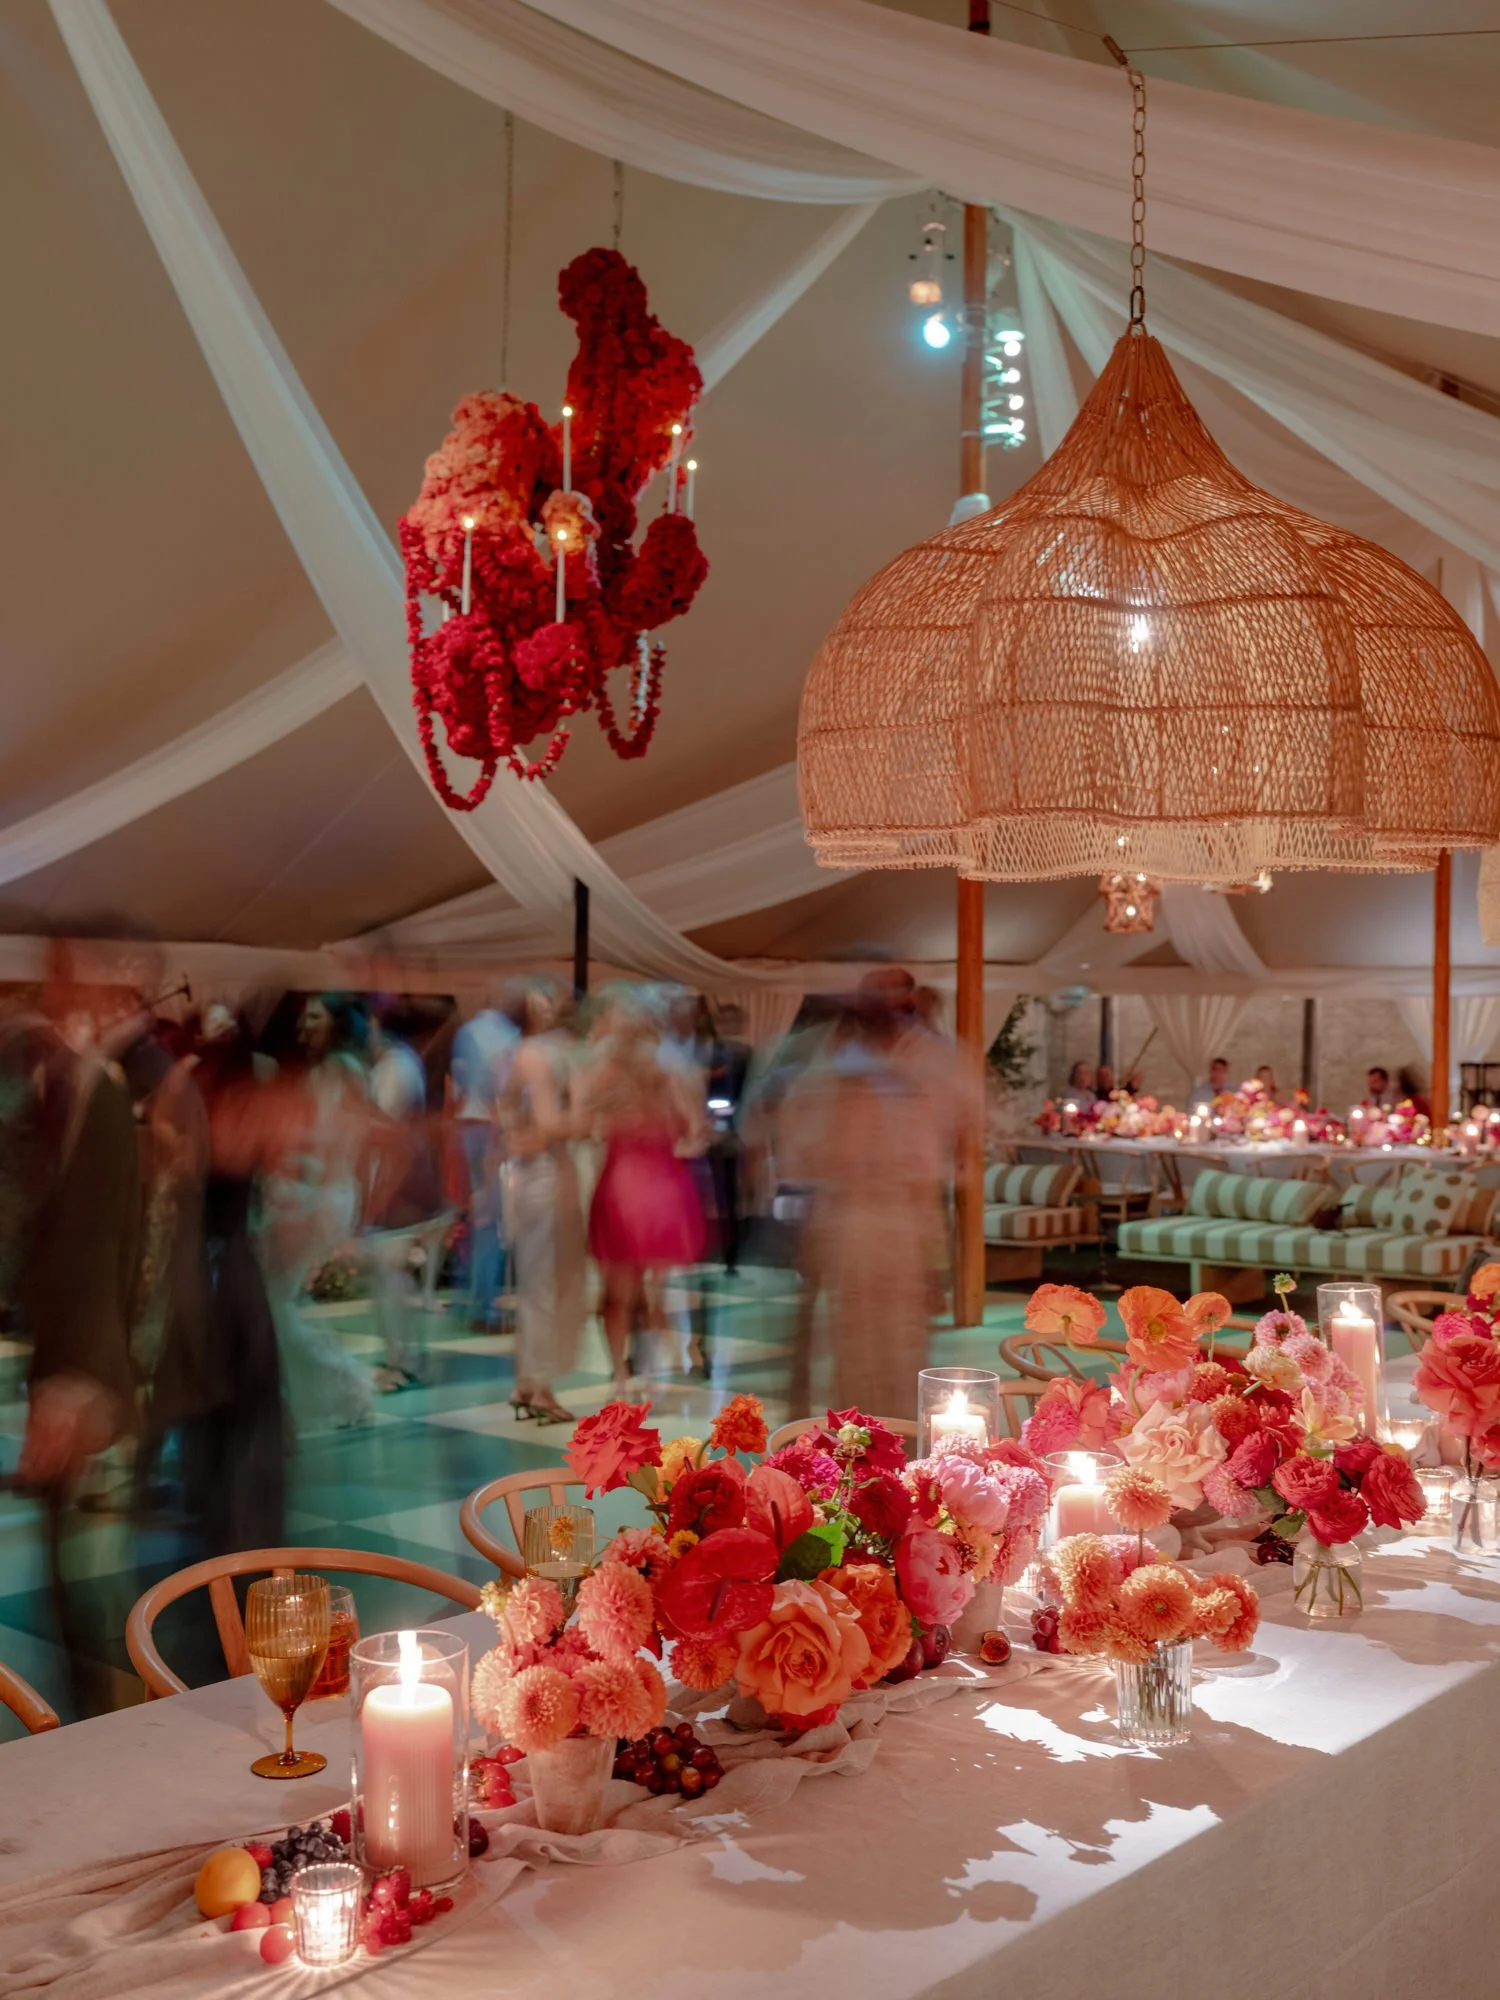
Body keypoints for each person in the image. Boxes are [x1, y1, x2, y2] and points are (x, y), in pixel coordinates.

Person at [782, 996, 942, 1417]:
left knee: (860, 1339)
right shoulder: (901, 1088)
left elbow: (805, 1161)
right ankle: (885, 1433)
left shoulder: (839, 1088)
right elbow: (926, 1170)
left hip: (859, 1222)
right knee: (889, 1340)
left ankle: (862, 1435)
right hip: (889, 1222)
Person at [576, 989, 709, 1394]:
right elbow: (696, 1132)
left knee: (621, 1290)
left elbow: (584, 1123)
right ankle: (644, 1374)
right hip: (658, 1182)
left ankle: (623, 1374)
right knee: (652, 1290)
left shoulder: (606, 1071)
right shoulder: (669, 1072)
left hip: (627, 1180)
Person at [258, 995, 374, 1432]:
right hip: (310, 1193)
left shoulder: (343, 1072)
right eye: (303, 1017)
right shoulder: (327, 1071)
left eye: (314, 1016)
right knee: (277, 1301)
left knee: (275, 1303)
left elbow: (335, 1142)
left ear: (336, 1021)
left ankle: (345, 1385)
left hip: (317, 1197)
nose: (304, 1026)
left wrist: (302, 1197)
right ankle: (310, 1392)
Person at [495, 979, 586, 1422]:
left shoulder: (518, 1056)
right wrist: (591, 1115)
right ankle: (539, 1386)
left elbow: (506, 1106)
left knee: (536, 1281)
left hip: (530, 1174)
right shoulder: (535, 1055)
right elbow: (550, 1123)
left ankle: (528, 1381)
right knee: (544, 1283)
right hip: (545, 1174)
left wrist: (516, 1133)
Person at [361, 1004, 448, 1391]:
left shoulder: (394, 1068)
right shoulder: (401, 1065)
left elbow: (384, 1126)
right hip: (398, 1176)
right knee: (389, 1270)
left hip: (396, 1178)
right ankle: (404, 1356)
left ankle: (402, 1360)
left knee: (389, 1267)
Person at [449, 996, 517, 1330]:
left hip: (469, 1126)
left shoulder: (467, 1032)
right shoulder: (511, 1035)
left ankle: (477, 1298)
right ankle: (485, 1305)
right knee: (493, 1219)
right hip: (493, 1129)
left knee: (480, 1216)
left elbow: (461, 1083)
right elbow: (499, 1089)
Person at [705, 1002, 752, 1275]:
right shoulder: (711, 1054)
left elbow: (750, 1091)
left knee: (732, 1194)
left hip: (737, 1130)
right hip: (716, 1130)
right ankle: (728, 1252)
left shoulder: (745, 1053)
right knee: (722, 1194)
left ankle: (732, 1253)